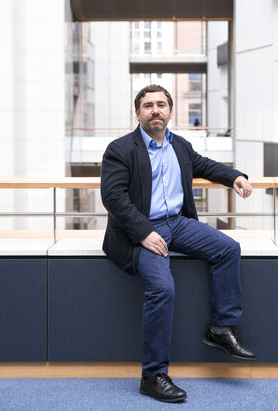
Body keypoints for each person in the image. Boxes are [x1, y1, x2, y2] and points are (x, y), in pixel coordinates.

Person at [101, 84, 255, 404]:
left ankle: (221, 328)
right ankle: (153, 375)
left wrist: (235, 177)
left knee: (228, 249)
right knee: (163, 288)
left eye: (161, 104)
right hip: (142, 230)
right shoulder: (120, 149)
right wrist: (144, 232)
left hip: (178, 223)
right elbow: (113, 197)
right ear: (138, 113)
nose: (155, 110)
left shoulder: (179, 146)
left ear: (171, 110)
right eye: (148, 105)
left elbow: (206, 166)